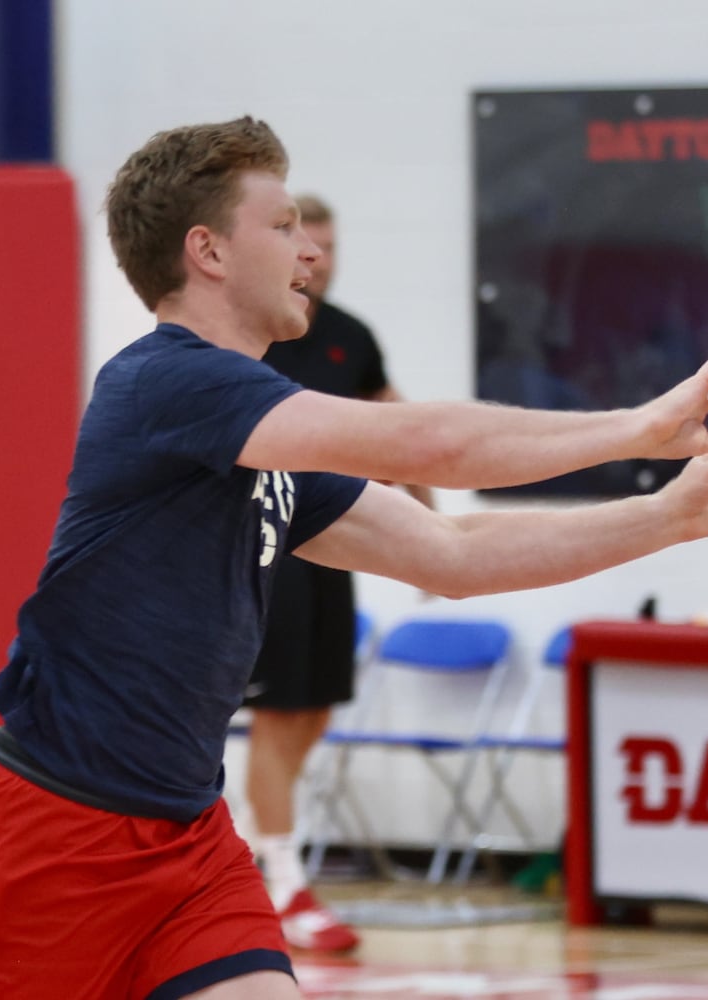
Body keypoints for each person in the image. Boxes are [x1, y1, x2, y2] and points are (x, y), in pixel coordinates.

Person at [0, 115, 708, 1000]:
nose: (308, 252)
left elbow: (450, 552)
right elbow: (430, 446)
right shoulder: (167, 381)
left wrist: (664, 516)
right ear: (208, 251)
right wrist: (636, 427)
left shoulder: (256, 441)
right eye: (282, 225)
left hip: (185, 837)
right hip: (51, 829)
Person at [243, 193, 432, 953]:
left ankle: (271, 858)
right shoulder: (252, 335)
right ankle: (281, 882)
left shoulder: (351, 336)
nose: (313, 259)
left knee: (314, 711)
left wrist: (431, 525)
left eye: (324, 245)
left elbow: (401, 428)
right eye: (299, 243)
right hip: (267, 550)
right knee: (278, 714)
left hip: (335, 542)